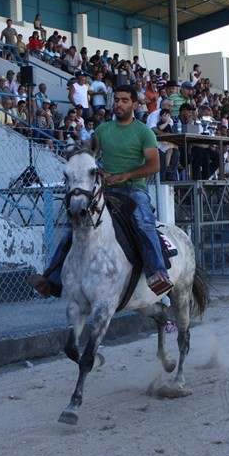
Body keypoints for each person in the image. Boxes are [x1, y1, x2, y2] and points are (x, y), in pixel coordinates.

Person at [28, 85, 174, 297]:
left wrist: (127, 175)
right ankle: (52, 278)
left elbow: (154, 165)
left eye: (124, 100)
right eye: (116, 99)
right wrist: (99, 170)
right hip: (106, 190)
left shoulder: (144, 132)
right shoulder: (103, 131)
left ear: (134, 104)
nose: (119, 104)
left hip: (134, 190)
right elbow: (88, 155)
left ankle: (157, 273)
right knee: (75, 226)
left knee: (143, 222)